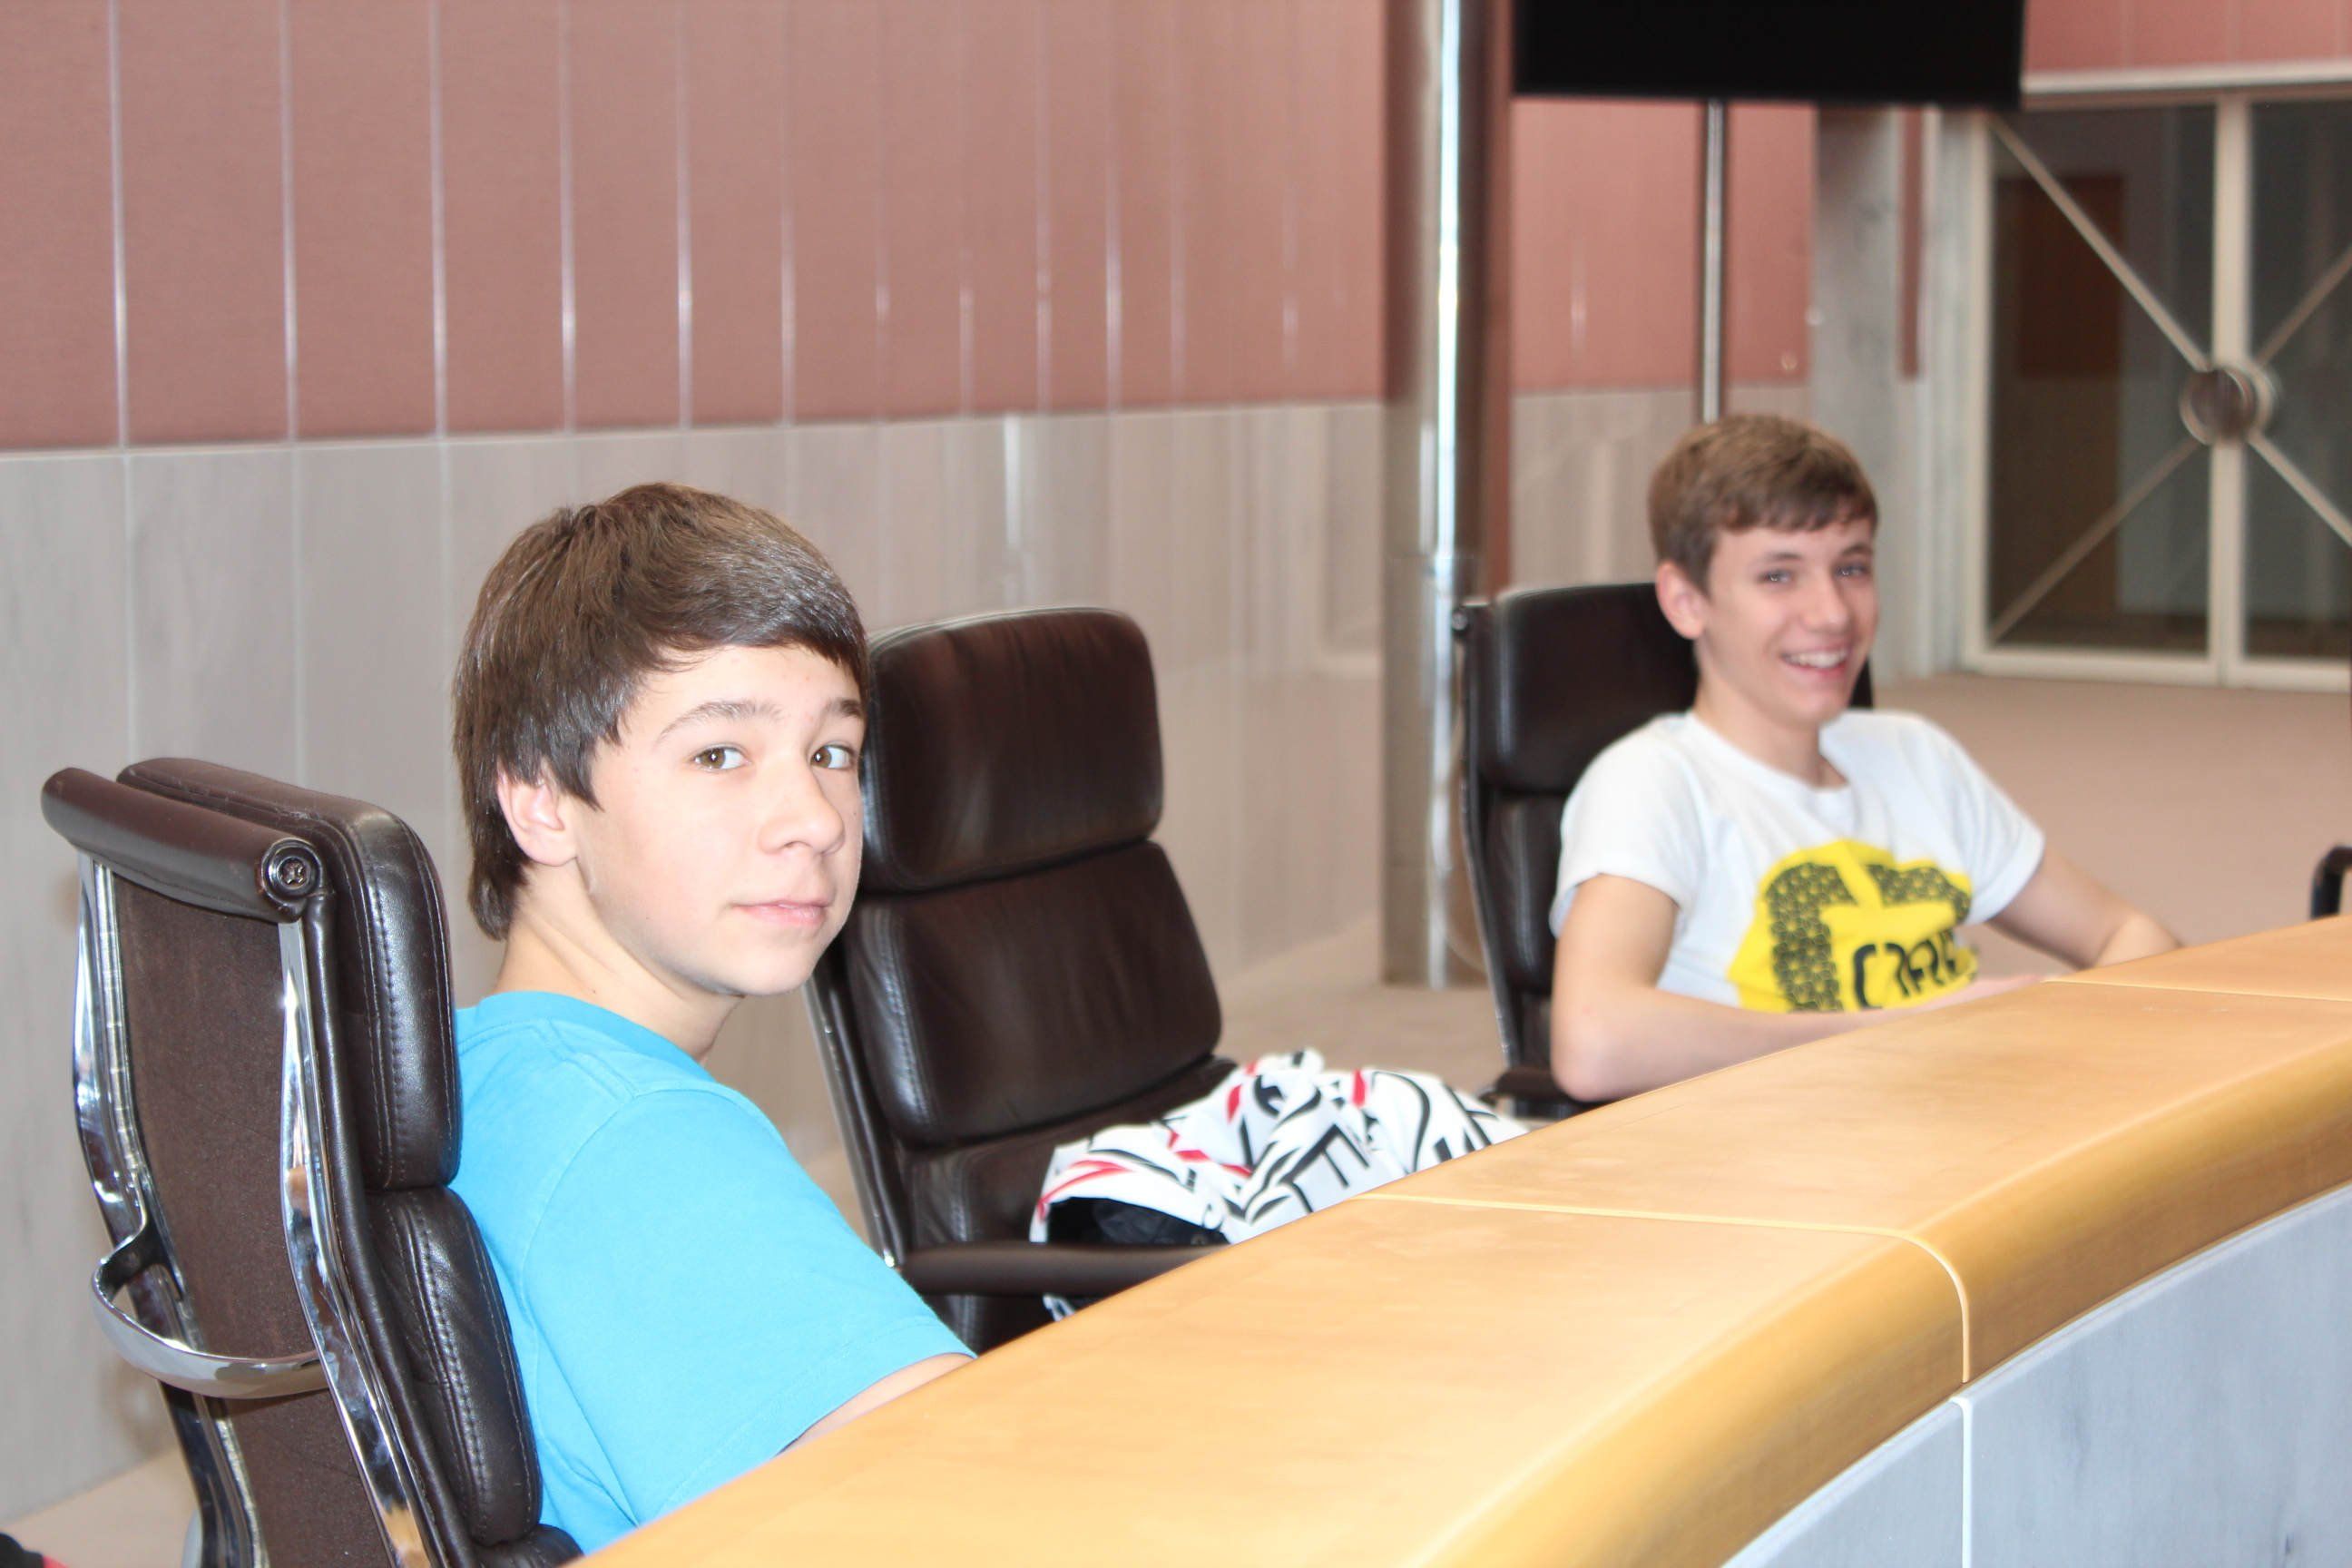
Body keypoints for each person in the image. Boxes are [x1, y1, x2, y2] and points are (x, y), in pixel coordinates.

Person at [448, 485, 967, 1553]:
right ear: (540, 800)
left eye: (832, 752)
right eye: (720, 754)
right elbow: (966, 1504)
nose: (814, 821)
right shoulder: (638, 1141)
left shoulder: (474, 1069)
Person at [1549, 416, 2177, 1103]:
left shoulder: (1914, 755)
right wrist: (1908, 1031)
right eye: (1779, 575)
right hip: (1787, 1148)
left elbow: (2134, 932)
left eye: (1851, 568)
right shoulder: (1654, 782)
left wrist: (2056, 1025)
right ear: (1685, 601)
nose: (1832, 614)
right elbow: (1594, 1041)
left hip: (1967, 1120)